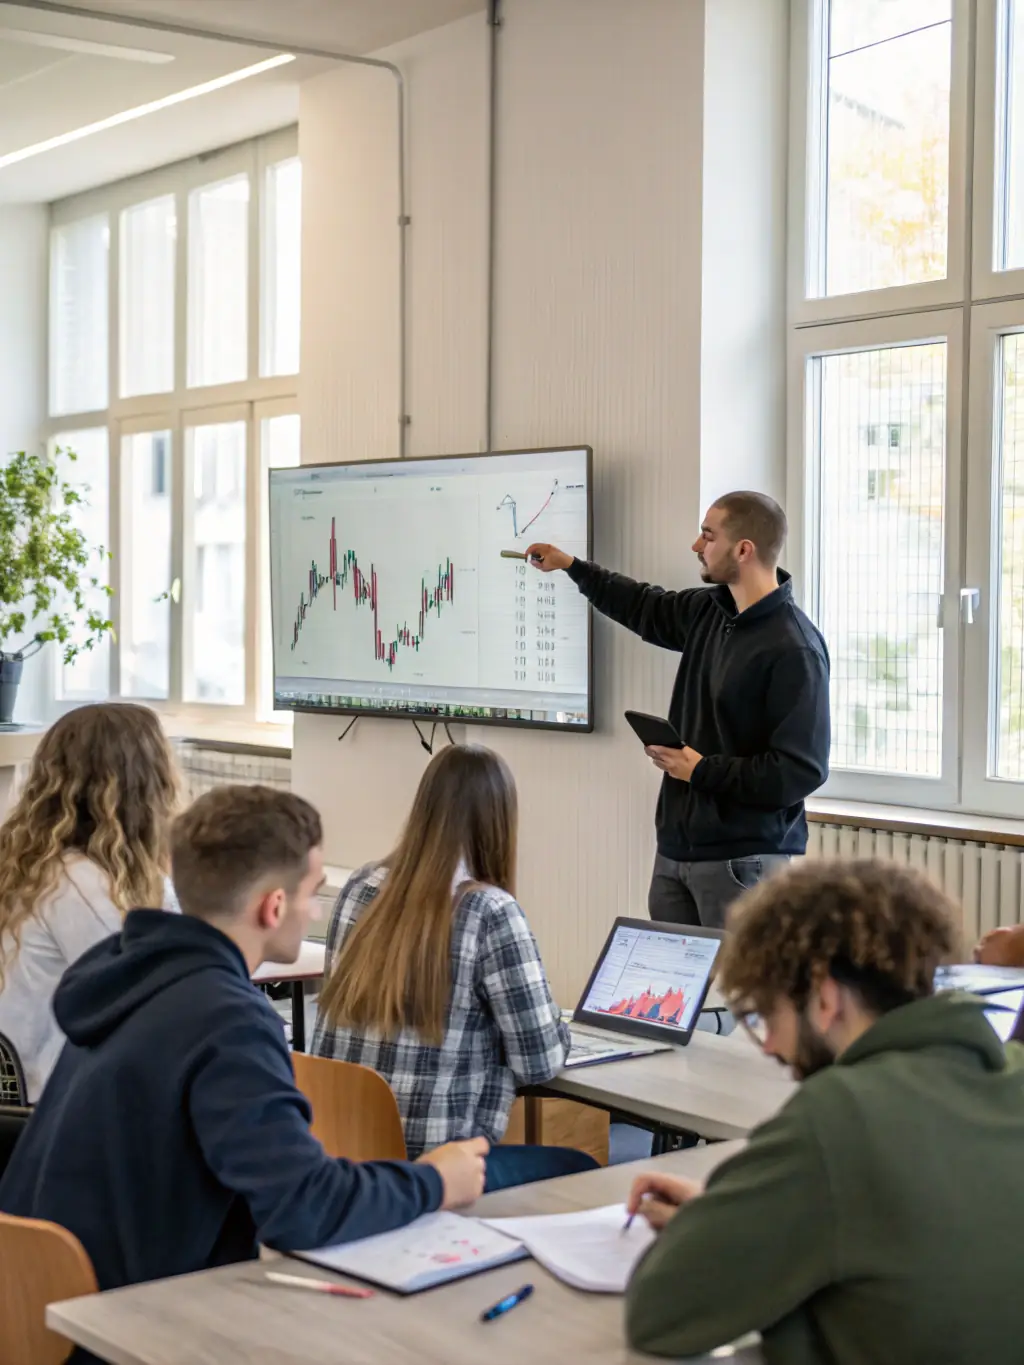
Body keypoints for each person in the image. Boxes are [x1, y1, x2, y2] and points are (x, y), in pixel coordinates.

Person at [0, 785, 487, 1311]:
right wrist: (435, 1180)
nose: (316, 914)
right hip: (125, 1319)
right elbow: (302, 1210)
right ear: (274, 906)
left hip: (35, 1301)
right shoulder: (227, 1021)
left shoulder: (128, 976)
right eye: (312, 893)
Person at [624, 859, 1024, 1363]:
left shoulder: (839, 1116)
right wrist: (751, 1210)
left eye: (766, 1014)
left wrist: (708, 1224)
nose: (768, 1045)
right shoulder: (1011, 1073)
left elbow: (660, 1315)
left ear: (825, 996)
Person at [528, 491, 830, 929]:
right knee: (673, 995)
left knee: (738, 997)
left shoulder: (794, 647)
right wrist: (574, 566)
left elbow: (800, 771)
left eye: (708, 535)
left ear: (743, 550)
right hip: (675, 853)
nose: (696, 545)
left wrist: (701, 770)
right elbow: (644, 605)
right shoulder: (711, 611)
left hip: (743, 862)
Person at [312, 744, 595, 1191]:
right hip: (435, 1170)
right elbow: (540, 1062)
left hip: (342, 1159)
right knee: (582, 1168)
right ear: (499, 822)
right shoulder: (490, 911)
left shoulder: (360, 886)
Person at [0, 702, 179, 1101]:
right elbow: (145, 1001)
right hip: (47, 1107)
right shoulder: (79, 883)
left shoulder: (29, 863)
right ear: (147, 786)